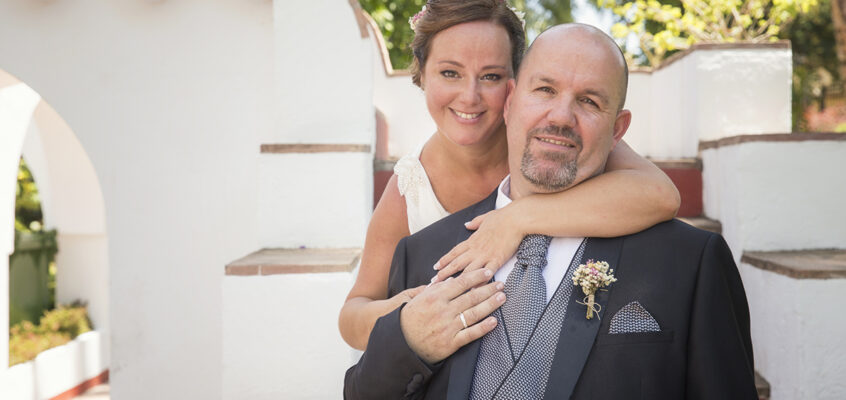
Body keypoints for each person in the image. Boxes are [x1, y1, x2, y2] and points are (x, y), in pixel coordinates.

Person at [344, 24, 757, 399]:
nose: (561, 117)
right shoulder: (421, 250)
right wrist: (407, 338)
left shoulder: (690, 263)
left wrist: (520, 217)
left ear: (618, 130)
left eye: (590, 101)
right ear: (509, 103)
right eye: (544, 90)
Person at [339, 0, 681, 351]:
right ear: (422, 73)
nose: (469, 96)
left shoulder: (549, 144)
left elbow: (660, 194)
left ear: (515, 84)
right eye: (450, 73)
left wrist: (516, 218)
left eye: (491, 76)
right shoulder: (410, 187)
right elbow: (352, 316)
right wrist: (406, 316)